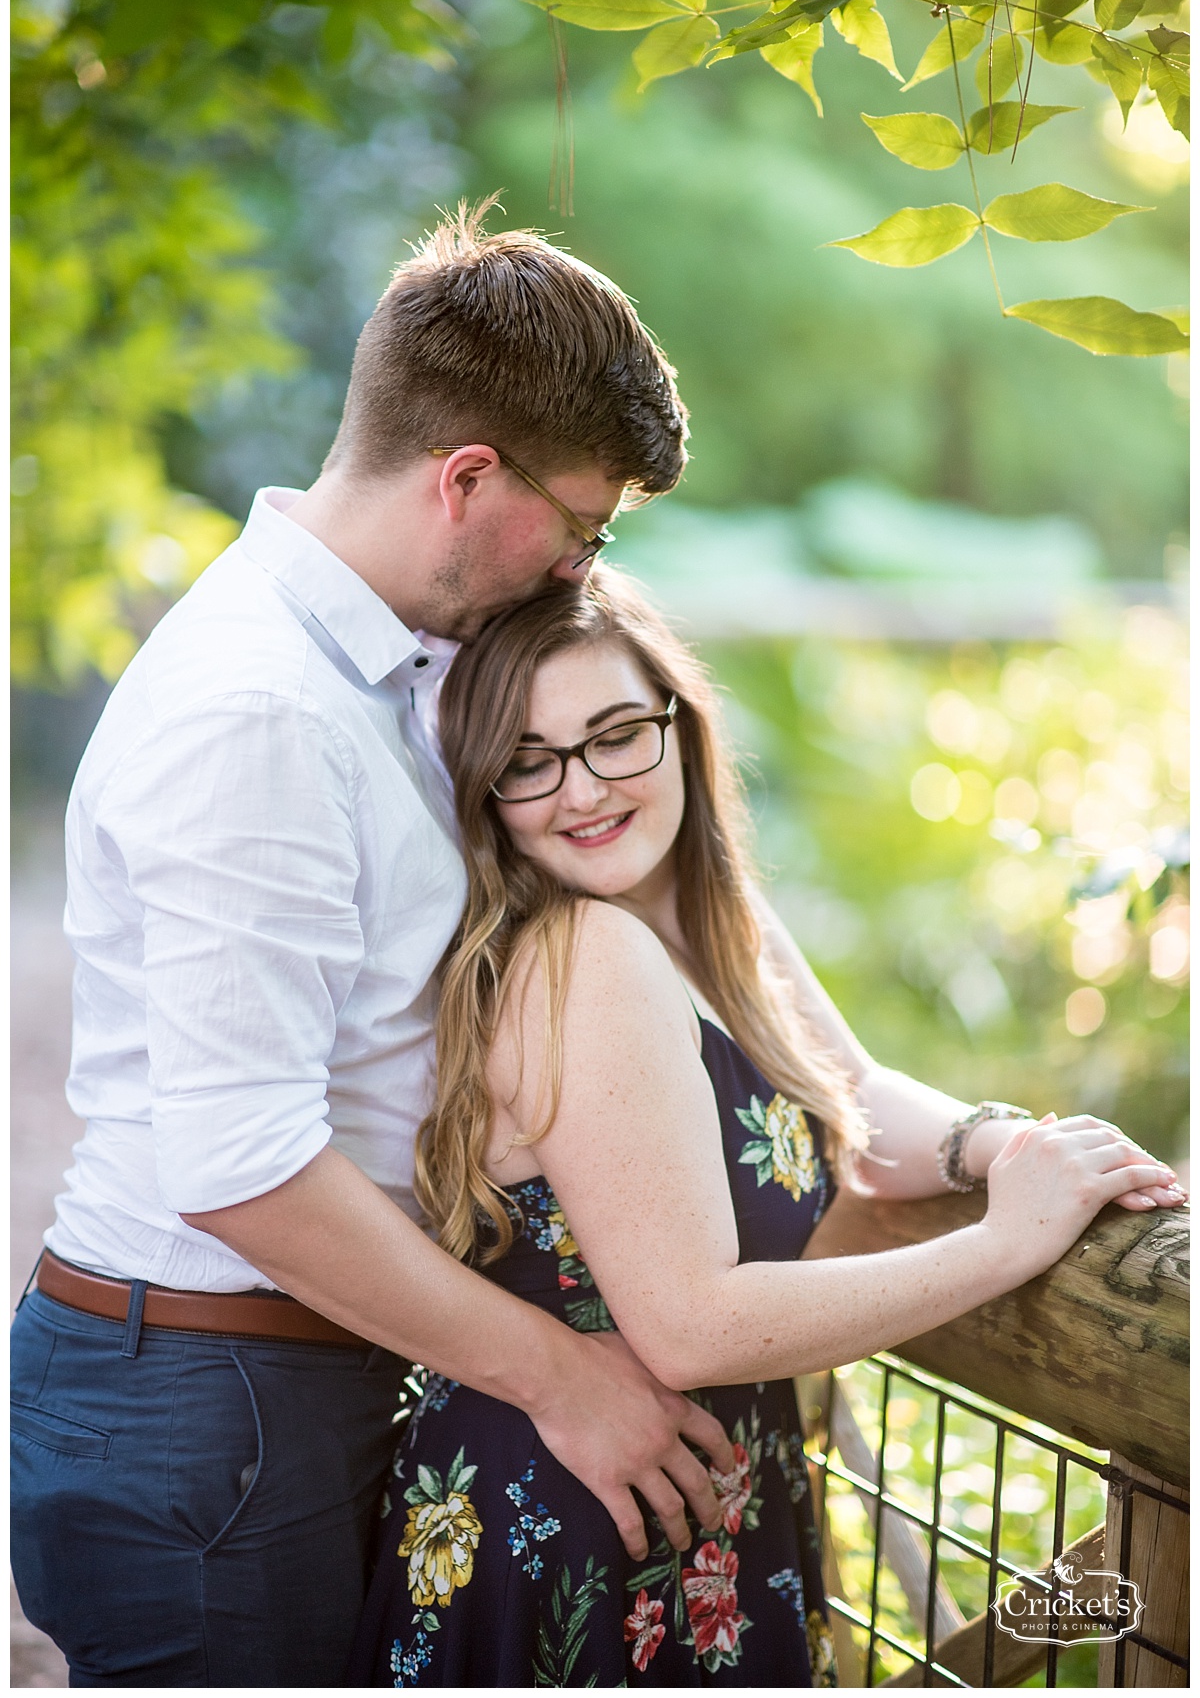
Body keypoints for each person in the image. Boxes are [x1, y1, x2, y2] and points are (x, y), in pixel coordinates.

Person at [10, 207, 741, 1689]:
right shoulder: (263, 713)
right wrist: (559, 1378)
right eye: (584, 527)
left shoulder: (383, 672)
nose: (582, 569)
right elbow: (242, 1160)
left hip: (269, 1383)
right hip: (218, 1410)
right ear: (469, 477)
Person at [349, 570, 1186, 1687]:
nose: (583, 790)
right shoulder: (584, 956)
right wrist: (1004, 1244)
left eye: (615, 737)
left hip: (691, 1500)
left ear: (679, 730)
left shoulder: (689, 907)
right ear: (485, 791)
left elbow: (851, 1097)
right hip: (588, 1533)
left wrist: (997, 1146)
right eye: (528, 761)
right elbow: (692, 1327)